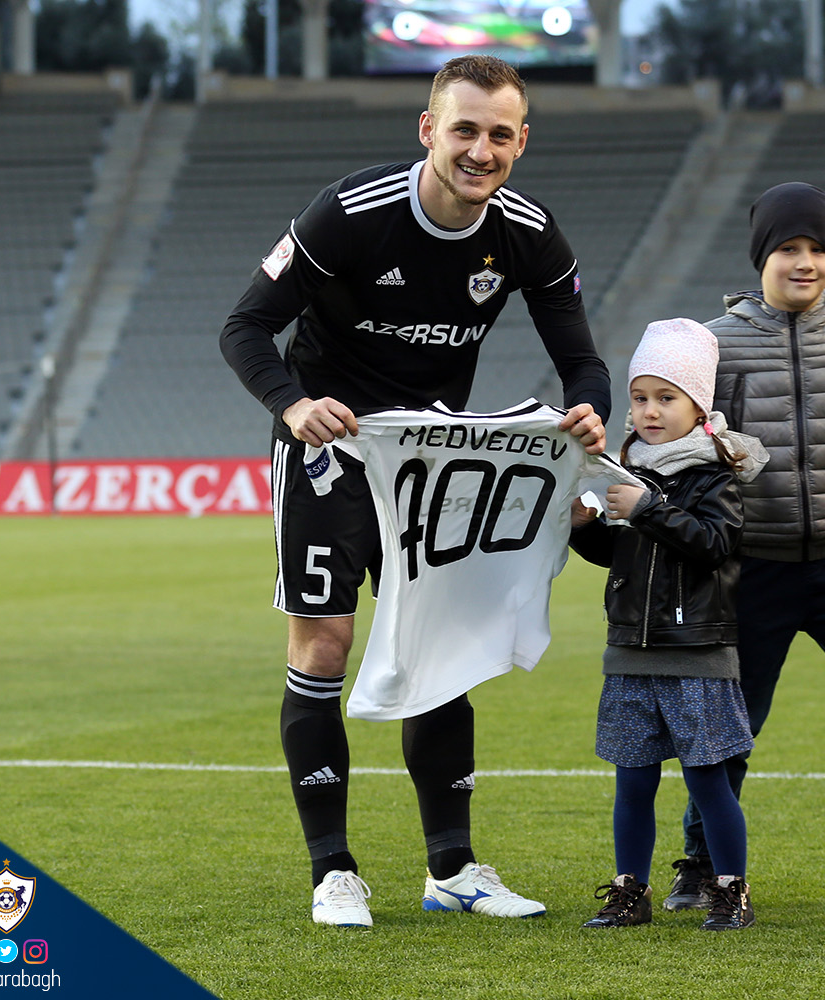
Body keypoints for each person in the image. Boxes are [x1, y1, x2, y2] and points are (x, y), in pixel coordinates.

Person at [218, 54, 610, 928]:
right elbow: (245, 326)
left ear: (521, 142)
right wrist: (292, 405)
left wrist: (589, 410)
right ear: (428, 129)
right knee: (323, 646)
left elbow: (580, 359)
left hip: (431, 466)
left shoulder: (528, 232)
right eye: (464, 128)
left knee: (441, 648)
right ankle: (334, 872)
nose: (481, 149)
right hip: (332, 452)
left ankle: (452, 868)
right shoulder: (349, 213)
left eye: (499, 134)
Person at [663, 181, 825, 910]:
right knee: (729, 729)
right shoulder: (714, 342)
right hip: (751, 568)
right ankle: (700, 864)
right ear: (762, 255)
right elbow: (674, 444)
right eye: (789, 249)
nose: (805, 263)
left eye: (818, 249)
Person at [567, 319, 769, 932]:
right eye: (639, 397)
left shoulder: (716, 474)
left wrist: (650, 509)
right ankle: (631, 892)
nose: (650, 411)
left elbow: (715, 544)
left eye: (666, 397)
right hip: (630, 649)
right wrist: (586, 528)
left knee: (709, 784)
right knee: (632, 785)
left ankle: (730, 890)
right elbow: (622, 556)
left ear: (698, 405)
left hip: (697, 652)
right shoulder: (624, 466)